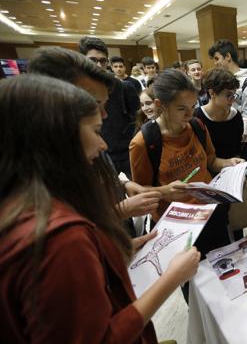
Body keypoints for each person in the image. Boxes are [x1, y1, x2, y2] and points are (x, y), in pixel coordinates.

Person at [0, 74, 201, 343]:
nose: (103, 144)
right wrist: (173, 277)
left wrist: (110, 252)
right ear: (57, 136)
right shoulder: (59, 239)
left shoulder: (22, 205)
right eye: (95, 131)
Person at [28, 46, 161, 238]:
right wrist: (120, 211)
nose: (104, 115)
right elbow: (66, 237)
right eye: (94, 104)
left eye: (104, 104)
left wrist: (123, 185)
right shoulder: (38, 170)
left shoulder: (90, 141)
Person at [129, 69, 244, 255]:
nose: (190, 113)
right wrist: (165, 191)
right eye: (181, 108)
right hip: (179, 223)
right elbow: (140, 194)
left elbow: (211, 161)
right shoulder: (144, 142)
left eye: (192, 106)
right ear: (161, 105)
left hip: (210, 211)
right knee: (191, 277)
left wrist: (229, 163)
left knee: (221, 265)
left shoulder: (197, 126)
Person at [79, 36, 140, 179]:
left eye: (103, 61)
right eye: (92, 60)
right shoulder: (76, 89)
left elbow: (136, 117)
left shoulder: (123, 87)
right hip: (95, 154)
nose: (98, 65)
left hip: (125, 152)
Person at [208, 39, 247, 161]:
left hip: (239, 137)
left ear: (228, 56)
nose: (215, 63)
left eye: (217, 58)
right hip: (221, 131)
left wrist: (242, 137)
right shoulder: (219, 79)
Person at [195, 68, 243, 161]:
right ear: (212, 93)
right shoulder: (197, 117)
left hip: (230, 169)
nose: (232, 100)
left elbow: (237, 150)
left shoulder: (236, 116)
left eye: (233, 95)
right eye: (228, 95)